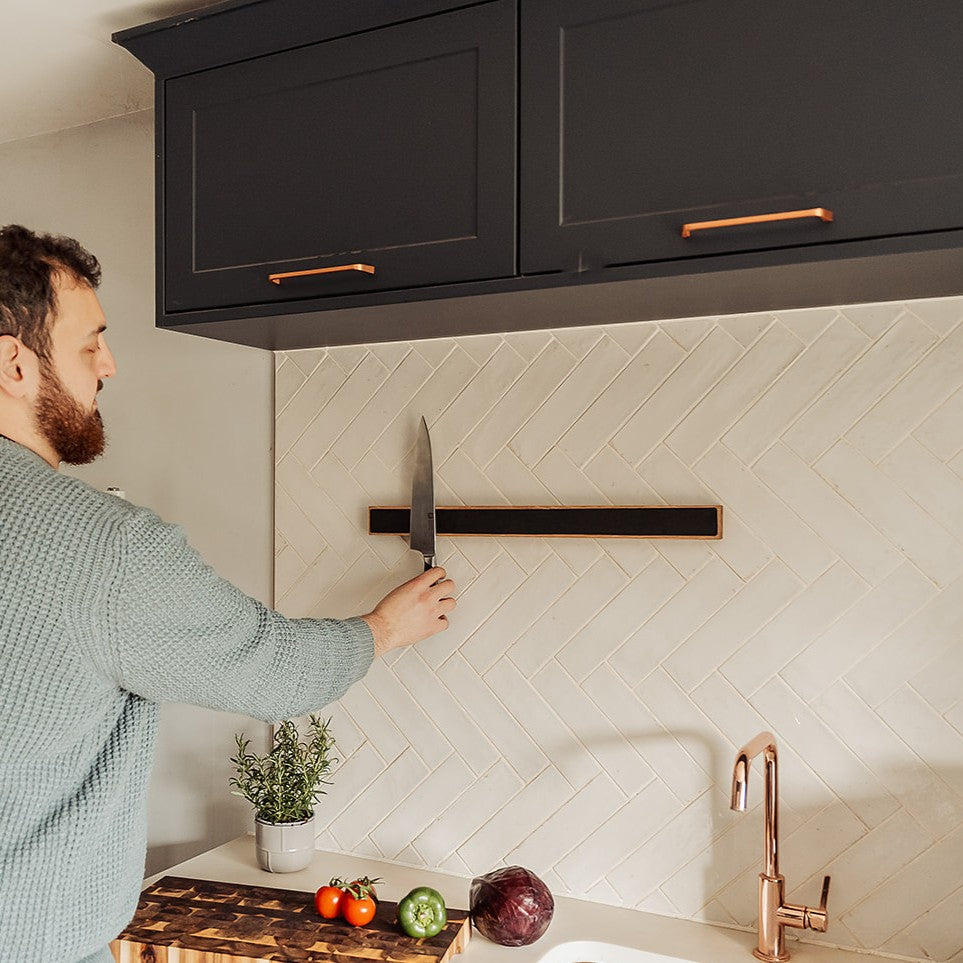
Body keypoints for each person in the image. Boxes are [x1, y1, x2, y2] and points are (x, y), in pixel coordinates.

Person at [0, 224, 456, 963]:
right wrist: (382, 627)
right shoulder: (106, 549)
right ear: (13, 364)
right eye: (91, 344)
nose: (110, 364)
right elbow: (272, 669)